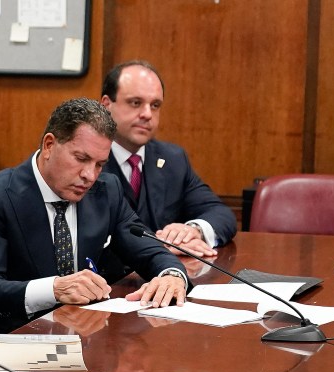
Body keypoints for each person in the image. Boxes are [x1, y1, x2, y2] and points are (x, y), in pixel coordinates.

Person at [0, 98, 187, 335]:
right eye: (81, 159)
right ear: (49, 145)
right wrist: (54, 289)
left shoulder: (106, 191)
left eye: (99, 164)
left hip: (88, 339)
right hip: (16, 342)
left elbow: (149, 249)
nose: (90, 175)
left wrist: (171, 276)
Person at [99, 60, 236, 262]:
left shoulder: (172, 160)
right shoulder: (85, 161)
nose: (147, 114)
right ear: (106, 105)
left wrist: (192, 231)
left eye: (155, 105)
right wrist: (159, 247)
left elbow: (221, 213)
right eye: (135, 103)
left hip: (168, 279)